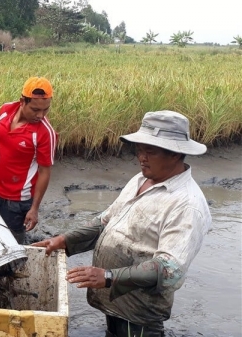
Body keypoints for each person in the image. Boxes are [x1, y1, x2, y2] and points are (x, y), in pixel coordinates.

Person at [33, 110, 212, 337]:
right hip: (115, 301)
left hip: (139, 311)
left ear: (175, 154)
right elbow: (106, 221)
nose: (141, 157)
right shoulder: (141, 178)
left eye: (150, 151)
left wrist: (109, 277)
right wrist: (65, 241)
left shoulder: (186, 204)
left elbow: (170, 270)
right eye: (139, 150)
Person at [0, 77, 57, 244]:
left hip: (16, 201)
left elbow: (45, 171)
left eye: (45, 110)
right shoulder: (6, 111)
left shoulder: (45, 132)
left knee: (12, 245)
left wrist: (34, 209)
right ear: (22, 101)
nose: (40, 115)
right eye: (35, 110)